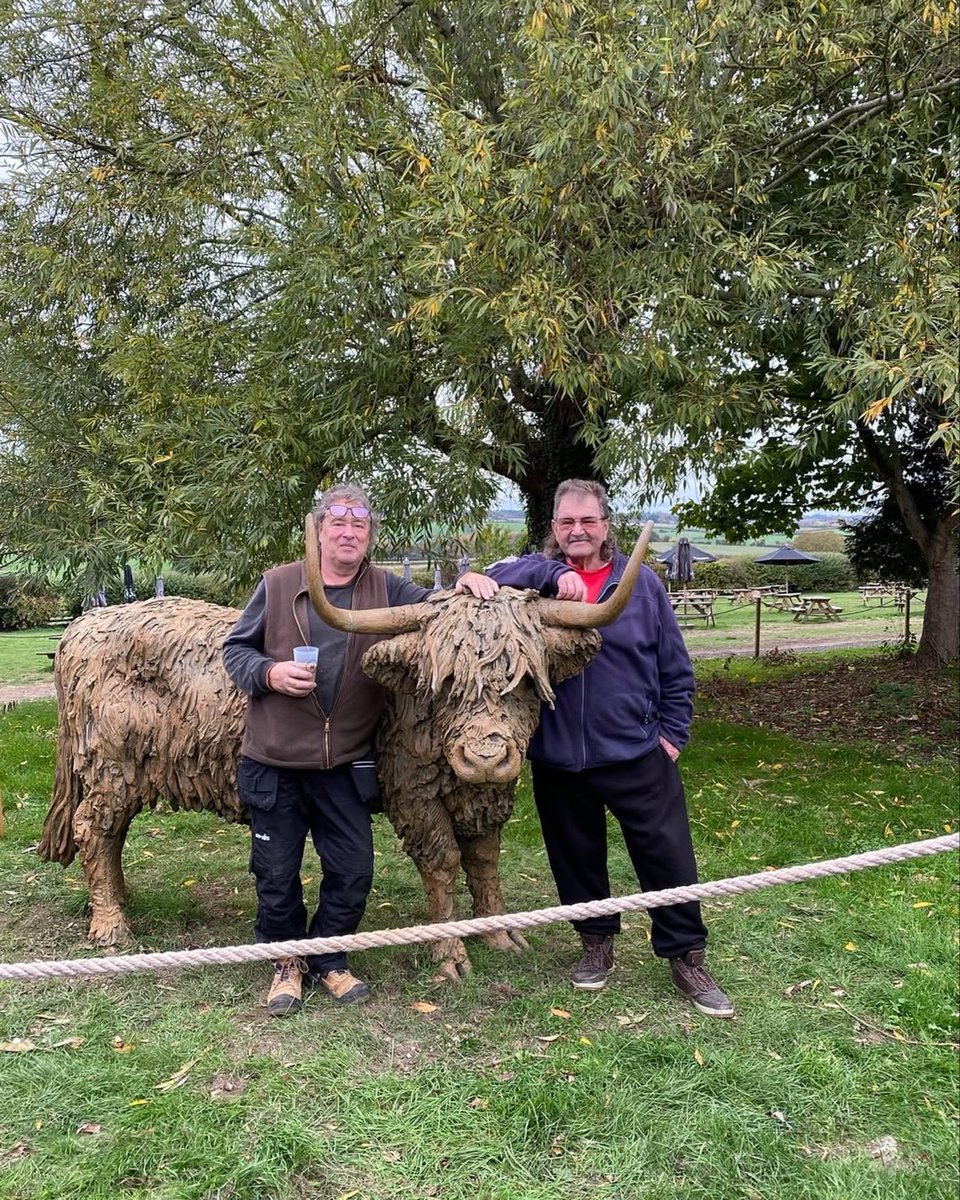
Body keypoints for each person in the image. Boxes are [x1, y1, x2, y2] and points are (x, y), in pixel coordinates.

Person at [223, 484, 492, 1017]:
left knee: (353, 870)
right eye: (338, 525)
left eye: (360, 527)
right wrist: (270, 673)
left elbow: (442, 609)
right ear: (319, 531)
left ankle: (330, 956)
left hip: (344, 764)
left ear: (369, 536)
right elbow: (235, 651)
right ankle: (286, 964)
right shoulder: (278, 584)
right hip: (275, 762)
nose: (349, 534)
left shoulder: (387, 588)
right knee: (275, 873)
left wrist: (465, 583)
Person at [485, 479, 733, 1017]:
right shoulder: (531, 587)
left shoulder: (640, 584)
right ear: (554, 529)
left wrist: (670, 735)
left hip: (636, 750)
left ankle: (685, 955)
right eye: (567, 522)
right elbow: (490, 577)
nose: (578, 531)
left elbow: (675, 669)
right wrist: (555, 573)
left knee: (666, 857)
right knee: (575, 860)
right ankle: (596, 942)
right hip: (558, 758)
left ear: (605, 525)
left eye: (588, 521)